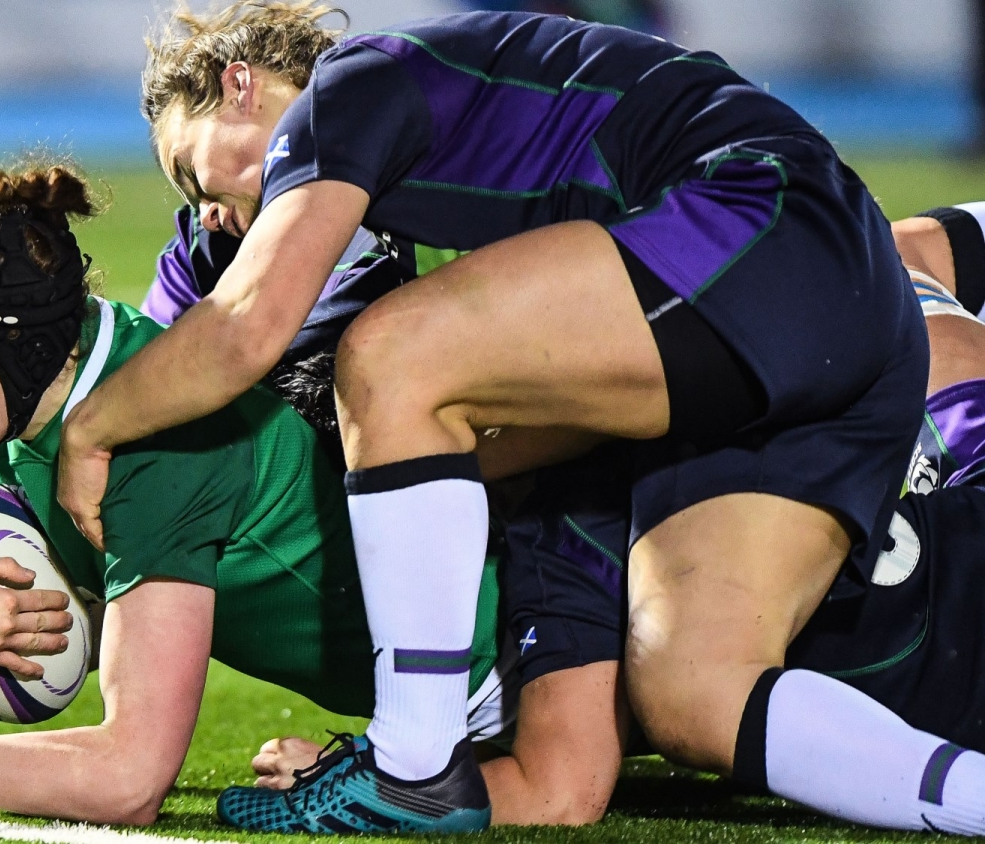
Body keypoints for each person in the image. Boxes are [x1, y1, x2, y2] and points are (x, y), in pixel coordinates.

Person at [52, 1, 927, 833]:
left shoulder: (346, 94)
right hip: (782, 362)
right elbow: (182, 347)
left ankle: (412, 762)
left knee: (392, 355)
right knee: (691, 700)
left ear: (241, 84)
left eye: (189, 169)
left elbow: (241, 329)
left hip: (765, 219)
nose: (200, 206)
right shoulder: (251, 241)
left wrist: (90, 430)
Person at [0, 152, 506, 824]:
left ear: (20, 352)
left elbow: (130, 780)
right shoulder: (1, 414)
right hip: (429, 715)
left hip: (506, 684)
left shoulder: (154, 438)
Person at [250, 202, 985, 832]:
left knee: (693, 692)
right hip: (950, 572)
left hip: (947, 651)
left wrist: (364, 778)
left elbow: (559, 788)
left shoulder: (562, 525)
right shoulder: (694, 359)